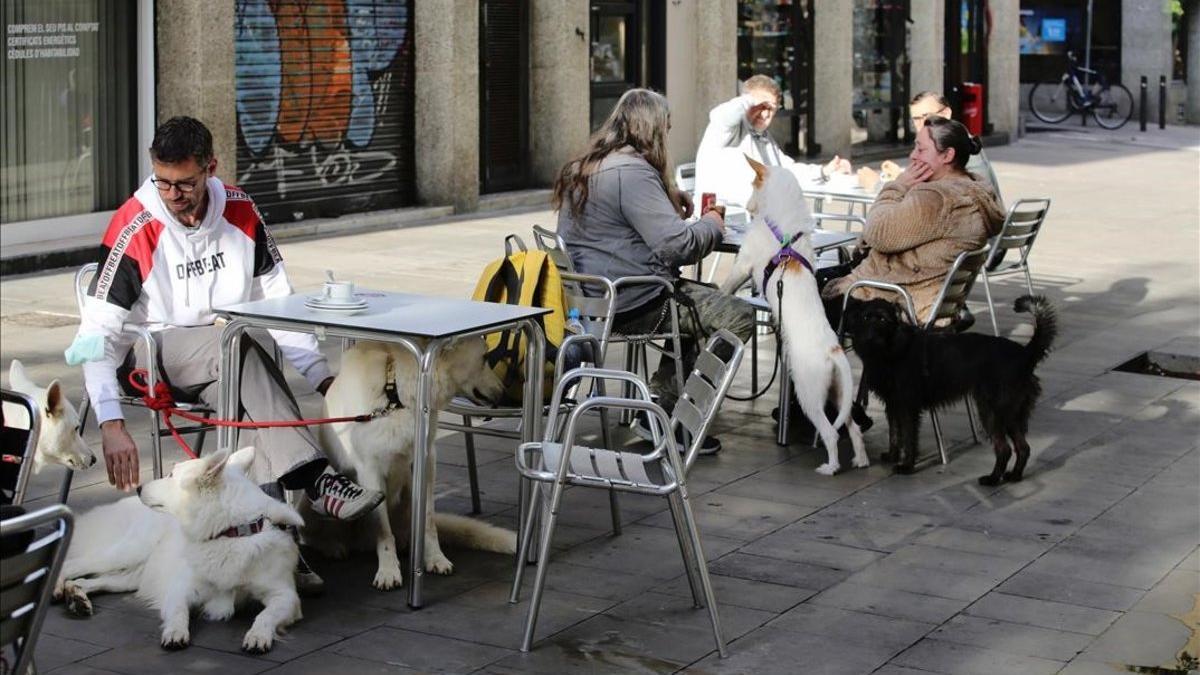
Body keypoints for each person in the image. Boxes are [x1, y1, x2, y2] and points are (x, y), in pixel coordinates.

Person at [71, 116, 383, 590]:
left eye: (185, 183)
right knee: (236, 343)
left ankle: (277, 546)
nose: (173, 194)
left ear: (211, 168)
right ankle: (317, 479)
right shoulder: (136, 224)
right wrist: (110, 422)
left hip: (225, 357)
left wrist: (322, 377)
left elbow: (280, 304)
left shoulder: (239, 208)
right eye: (164, 182)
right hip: (149, 355)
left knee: (241, 378)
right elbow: (95, 335)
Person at [554, 89, 755, 455]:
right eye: (667, 127)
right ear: (653, 130)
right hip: (632, 302)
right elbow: (678, 245)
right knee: (738, 315)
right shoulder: (633, 173)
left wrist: (667, 193)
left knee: (706, 297)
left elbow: (620, 221)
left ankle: (662, 403)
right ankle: (673, 419)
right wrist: (712, 223)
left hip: (588, 300)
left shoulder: (585, 165)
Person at [821, 116, 1006, 326]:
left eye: (920, 149)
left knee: (804, 296)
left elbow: (878, 234)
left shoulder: (937, 198)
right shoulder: (972, 191)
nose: (912, 156)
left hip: (894, 304)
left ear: (947, 155)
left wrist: (897, 185)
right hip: (926, 299)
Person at [695, 74, 852, 208]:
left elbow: (787, 170)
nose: (765, 114)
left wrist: (824, 171)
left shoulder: (764, 136)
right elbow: (719, 115)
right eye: (760, 107)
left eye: (771, 109)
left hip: (758, 221)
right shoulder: (727, 129)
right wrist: (751, 100)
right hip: (722, 219)